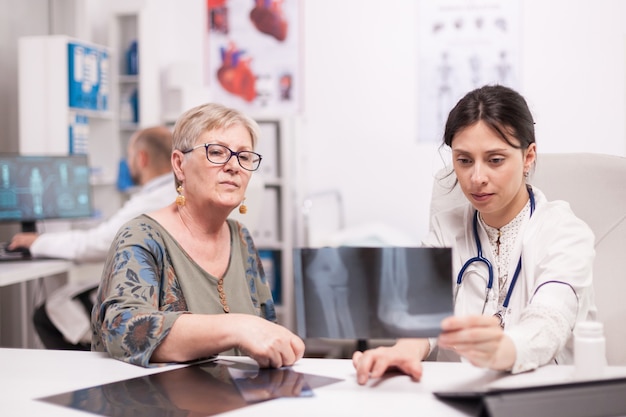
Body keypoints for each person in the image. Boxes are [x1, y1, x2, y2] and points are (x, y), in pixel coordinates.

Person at [352, 85, 596, 384]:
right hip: (458, 394)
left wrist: (504, 348)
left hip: (541, 396)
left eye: (495, 160)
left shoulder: (564, 232)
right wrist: (404, 350)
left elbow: (551, 319)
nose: (476, 178)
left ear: (528, 156)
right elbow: (422, 318)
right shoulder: (445, 229)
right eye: (464, 160)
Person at [91, 102, 305, 368]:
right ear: (179, 165)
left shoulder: (240, 237)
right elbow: (123, 330)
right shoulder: (141, 237)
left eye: (245, 156)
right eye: (216, 152)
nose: (233, 166)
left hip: (236, 401)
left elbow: (266, 328)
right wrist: (236, 326)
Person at [8, 126, 176, 350]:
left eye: (129, 157)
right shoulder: (172, 192)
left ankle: (97, 368)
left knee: (48, 312)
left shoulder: (152, 201)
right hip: (162, 291)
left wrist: (37, 242)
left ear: (142, 158)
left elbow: (97, 244)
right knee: (72, 294)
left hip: (152, 299)